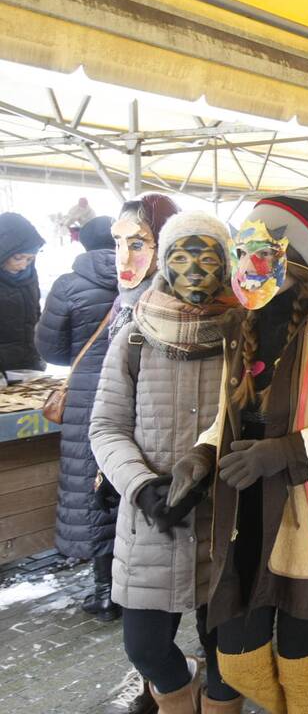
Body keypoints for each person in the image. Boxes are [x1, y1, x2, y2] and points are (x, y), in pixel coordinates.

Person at [171, 197, 308, 713]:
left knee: (302, 665)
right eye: (242, 250)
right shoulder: (239, 328)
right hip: (245, 517)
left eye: (258, 250)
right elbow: (230, 413)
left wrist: (284, 452)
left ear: (292, 259)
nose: (245, 264)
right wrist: (203, 453)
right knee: (240, 661)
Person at [89, 211, 240, 713]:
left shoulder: (245, 337)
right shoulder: (133, 337)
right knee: (147, 648)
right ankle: (180, 693)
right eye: (181, 254)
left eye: (208, 255)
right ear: (164, 264)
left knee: (228, 660)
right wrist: (141, 487)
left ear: (228, 262)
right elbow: (106, 427)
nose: (195, 269)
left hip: (226, 523)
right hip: (153, 523)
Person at [34, 214, 119, 621]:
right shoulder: (139, 279)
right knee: (126, 479)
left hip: (86, 394)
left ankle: (105, 593)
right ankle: (131, 585)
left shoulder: (68, 285)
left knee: (90, 486)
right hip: (135, 390)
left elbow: (50, 349)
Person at [109, 194, 181, 339]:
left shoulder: (184, 304)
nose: (123, 259)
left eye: (136, 245)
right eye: (118, 244)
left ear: (166, 247)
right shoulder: (123, 301)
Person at [0, 213, 46, 372]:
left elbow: (35, 315)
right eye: (18, 258)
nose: (23, 266)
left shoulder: (30, 276)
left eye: (30, 259)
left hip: (29, 364)